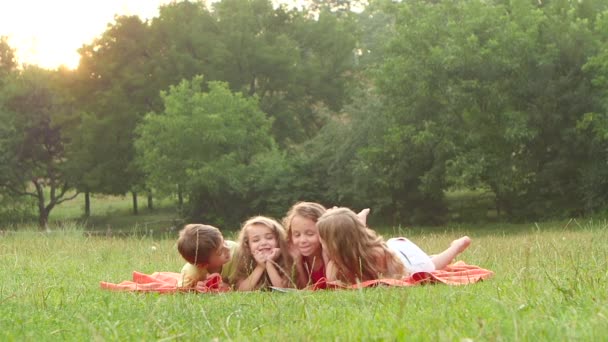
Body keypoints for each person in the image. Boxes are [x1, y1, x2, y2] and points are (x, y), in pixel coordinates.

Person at [317, 207, 471, 284]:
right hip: (386, 247)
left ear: (336, 244)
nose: (320, 244)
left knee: (432, 265)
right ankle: (360, 221)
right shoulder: (337, 263)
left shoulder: (376, 255)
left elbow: (396, 278)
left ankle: (455, 246)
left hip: (403, 255)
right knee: (429, 259)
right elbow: (331, 284)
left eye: (323, 240)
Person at [283, 202, 371, 288]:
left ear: (324, 233)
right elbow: (305, 290)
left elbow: (333, 286)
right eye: (297, 235)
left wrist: (326, 257)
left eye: (310, 234)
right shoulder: (296, 257)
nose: (302, 240)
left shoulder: (336, 254)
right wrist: (298, 263)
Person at [231, 216, 295, 291]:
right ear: (247, 245)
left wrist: (269, 264)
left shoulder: (286, 259)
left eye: (269, 238)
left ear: (278, 240)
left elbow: (284, 290)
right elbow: (241, 290)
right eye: (256, 240)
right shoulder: (245, 261)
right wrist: (260, 266)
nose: (263, 243)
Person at [176, 223, 237, 289]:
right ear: (203, 265)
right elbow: (181, 287)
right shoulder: (192, 271)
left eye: (224, 242)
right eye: (220, 251)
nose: (228, 248)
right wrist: (195, 288)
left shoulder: (236, 250)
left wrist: (230, 286)